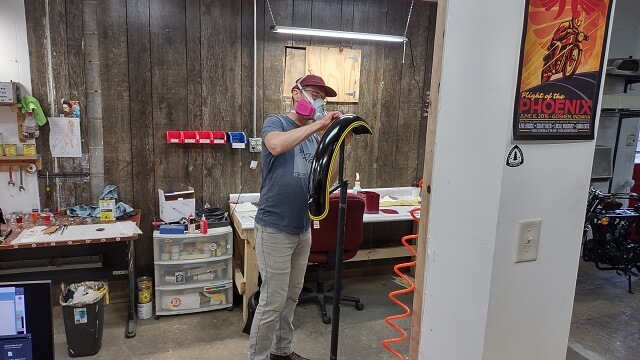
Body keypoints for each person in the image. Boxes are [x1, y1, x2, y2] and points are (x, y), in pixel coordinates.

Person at [248, 75, 341, 360]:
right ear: (295, 94)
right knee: (272, 300)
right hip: (275, 227)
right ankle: (258, 357)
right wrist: (317, 124)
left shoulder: (314, 138)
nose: (317, 101)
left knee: (291, 297)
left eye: (321, 98)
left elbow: (326, 180)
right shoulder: (275, 122)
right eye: (312, 94)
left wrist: (335, 142)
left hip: (303, 228)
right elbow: (276, 146)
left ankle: (281, 351)